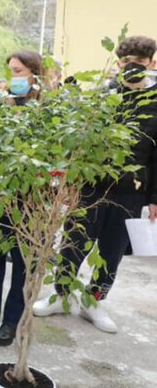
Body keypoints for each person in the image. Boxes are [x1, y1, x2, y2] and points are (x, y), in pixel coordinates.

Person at [34, 36, 157, 333]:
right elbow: (78, 145)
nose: (133, 69)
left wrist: (154, 198)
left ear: (152, 64)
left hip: (131, 193)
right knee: (75, 242)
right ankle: (60, 294)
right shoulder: (102, 96)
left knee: (112, 251)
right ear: (118, 64)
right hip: (90, 187)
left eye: (140, 64)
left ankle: (93, 301)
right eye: (128, 63)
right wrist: (69, 182)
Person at [0, 50, 41, 347]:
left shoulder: (46, 111)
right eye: (11, 71)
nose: (15, 78)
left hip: (29, 200)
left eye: (20, 72)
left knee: (23, 263)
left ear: (34, 75)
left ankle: (12, 320)